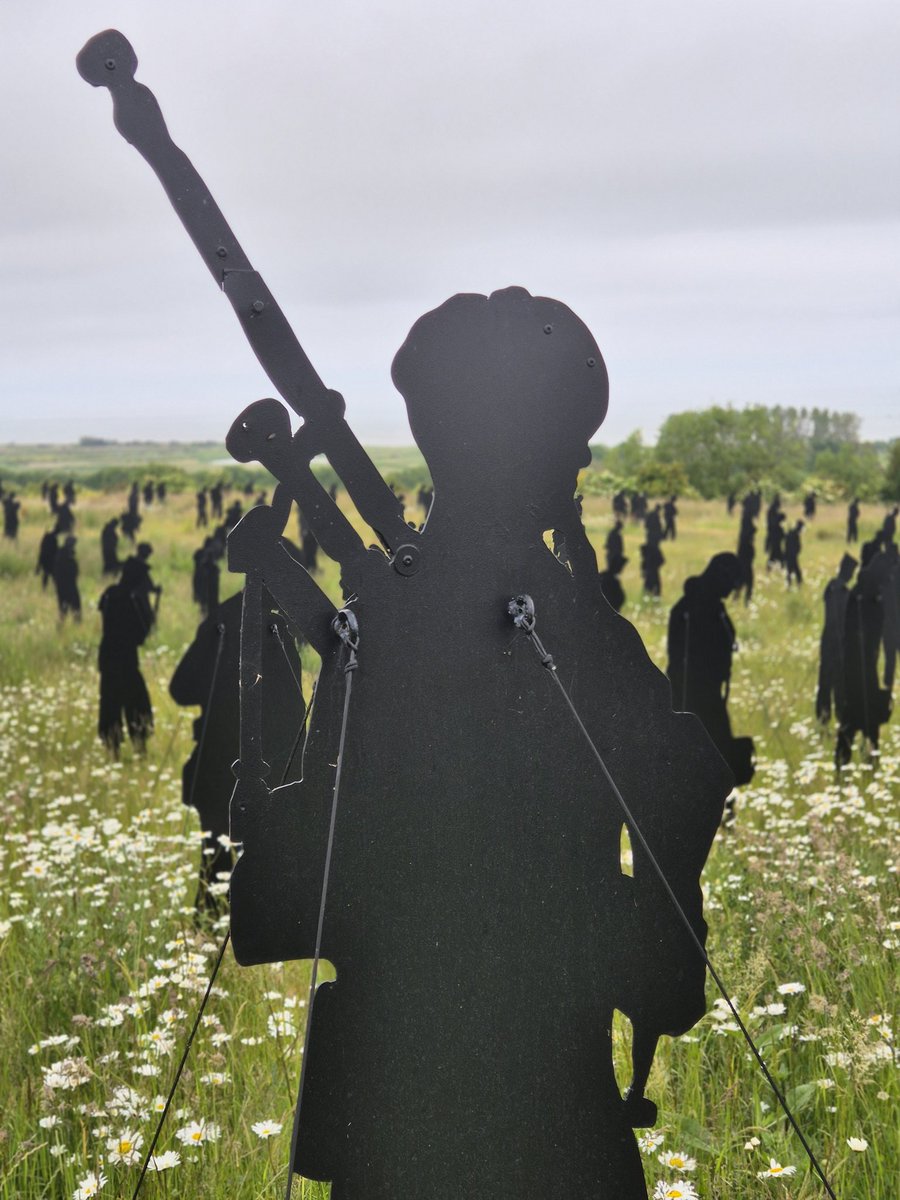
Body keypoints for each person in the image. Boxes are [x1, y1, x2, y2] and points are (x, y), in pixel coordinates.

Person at [227, 288, 731, 1198]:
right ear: (528, 453)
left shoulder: (385, 610)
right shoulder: (573, 623)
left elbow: (297, 878)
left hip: (392, 1108)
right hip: (548, 1103)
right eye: (566, 437)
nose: (580, 458)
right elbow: (678, 795)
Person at [169, 588, 305, 911]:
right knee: (262, 872)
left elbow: (181, 689)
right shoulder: (276, 634)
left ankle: (211, 932)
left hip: (216, 772)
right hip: (265, 776)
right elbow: (294, 715)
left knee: (214, 867)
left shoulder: (220, 624)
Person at [666, 552, 754, 793]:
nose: (732, 589)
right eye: (731, 582)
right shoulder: (690, 610)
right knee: (708, 759)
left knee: (720, 760)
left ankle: (725, 811)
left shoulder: (715, 609)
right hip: (692, 700)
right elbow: (681, 660)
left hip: (712, 696)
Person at [97, 558, 153, 754]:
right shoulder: (131, 601)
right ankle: (139, 748)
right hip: (126, 661)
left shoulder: (110, 594)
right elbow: (140, 635)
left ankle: (113, 751)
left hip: (109, 660)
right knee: (137, 706)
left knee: (110, 705)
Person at [815, 554, 857, 723]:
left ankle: (830, 716)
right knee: (833, 682)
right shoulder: (837, 589)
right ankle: (830, 716)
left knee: (831, 682)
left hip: (833, 641)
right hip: (834, 642)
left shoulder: (834, 588)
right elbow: (836, 618)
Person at [53, 536, 81, 621]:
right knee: (73, 607)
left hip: (63, 585)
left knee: (64, 608)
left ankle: (65, 626)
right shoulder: (64, 555)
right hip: (67, 585)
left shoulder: (62, 554)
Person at [784, 519, 804, 587]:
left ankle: (790, 585)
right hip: (792, 556)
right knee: (796, 572)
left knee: (790, 571)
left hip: (790, 555)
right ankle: (797, 585)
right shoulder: (794, 534)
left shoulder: (791, 533)